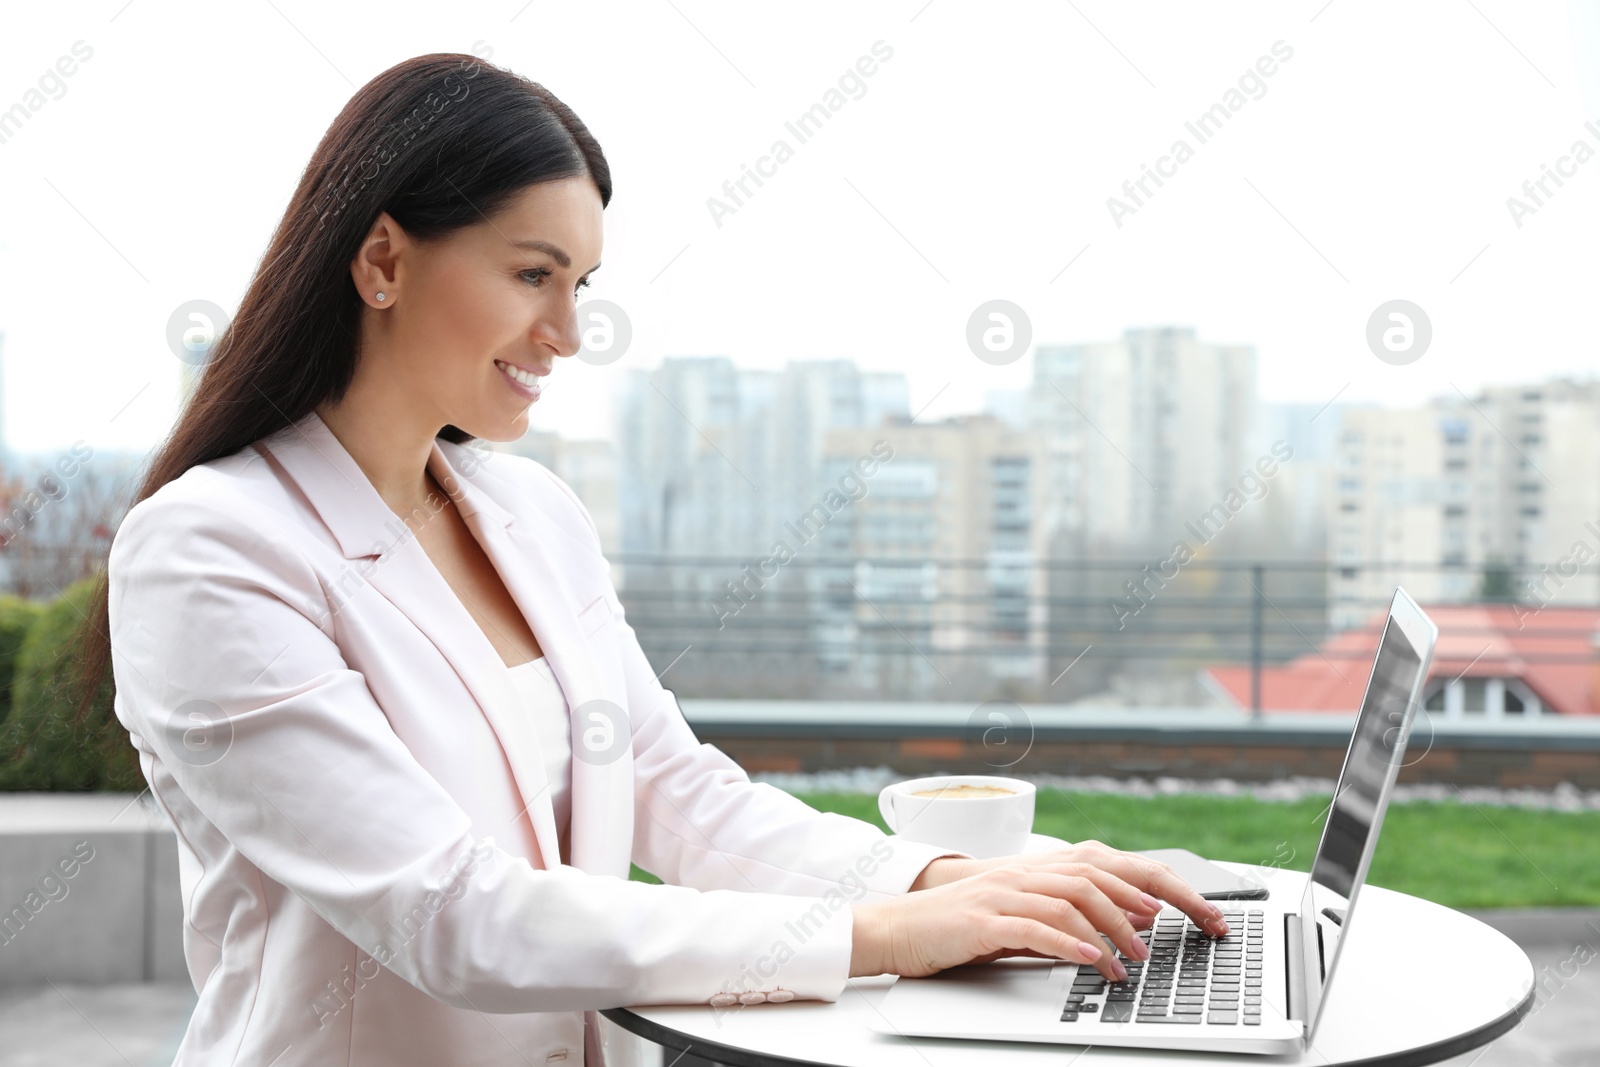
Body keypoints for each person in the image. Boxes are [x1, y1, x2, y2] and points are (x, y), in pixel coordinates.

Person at [78, 53, 1227, 1067]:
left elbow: (677, 794)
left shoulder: (527, 508)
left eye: (580, 287)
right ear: (382, 258)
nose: (569, 334)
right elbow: (446, 911)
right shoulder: (210, 551)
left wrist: (940, 880)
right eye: (533, 274)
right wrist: (878, 937)